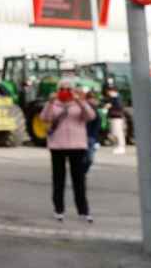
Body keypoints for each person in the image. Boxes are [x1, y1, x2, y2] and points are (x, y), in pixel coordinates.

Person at [41, 78, 96, 223]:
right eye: (62, 89)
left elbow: (90, 116)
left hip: (77, 146)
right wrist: (50, 102)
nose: (65, 91)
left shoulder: (78, 104)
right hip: (57, 146)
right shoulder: (54, 104)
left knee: (79, 180)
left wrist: (80, 101)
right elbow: (44, 118)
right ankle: (59, 209)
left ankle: (83, 211)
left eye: (68, 89)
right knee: (58, 179)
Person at [83, 89, 103, 174]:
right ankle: (81, 173)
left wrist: (97, 140)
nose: (92, 100)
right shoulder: (83, 109)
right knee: (85, 158)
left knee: (90, 159)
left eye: (93, 98)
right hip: (83, 137)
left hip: (92, 138)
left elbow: (98, 127)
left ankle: (83, 172)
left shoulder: (96, 110)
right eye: (90, 98)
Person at [105, 86, 126, 155]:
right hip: (115, 117)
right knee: (115, 132)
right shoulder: (114, 98)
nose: (108, 93)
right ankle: (118, 146)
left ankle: (121, 147)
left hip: (116, 117)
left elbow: (119, 106)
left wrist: (110, 106)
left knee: (118, 132)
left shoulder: (116, 98)